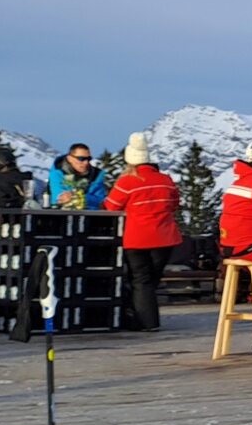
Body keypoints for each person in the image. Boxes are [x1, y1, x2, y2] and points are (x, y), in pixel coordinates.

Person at [102, 132, 182, 332]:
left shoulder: (127, 182)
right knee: (151, 280)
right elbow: (174, 204)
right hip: (165, 237)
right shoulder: (166, 180)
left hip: (137, 238)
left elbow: (110, 207)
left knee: (140, 280)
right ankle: (142, 316)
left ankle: (145, 322)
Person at [48, 142, 109, 210]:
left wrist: (80, 198)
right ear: (69, 158)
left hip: (90, 216)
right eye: (81, 159)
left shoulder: (97, 174)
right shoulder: (58, 171)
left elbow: (100, 200)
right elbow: (58, 195)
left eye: (88, 159)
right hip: (61, 215)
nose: (86, 162)